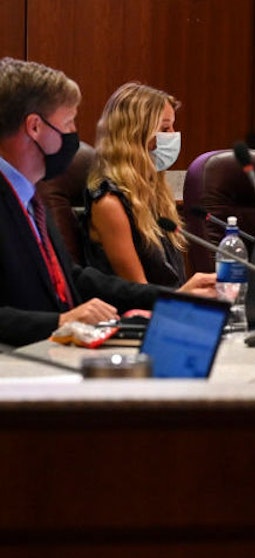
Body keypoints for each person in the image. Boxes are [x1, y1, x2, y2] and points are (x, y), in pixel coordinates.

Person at [0, 58, 214, 348]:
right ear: (35, 127)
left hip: (52, 356)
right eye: (67, 123)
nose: (74, 134)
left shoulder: (31, 196)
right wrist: (60, 322)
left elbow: (73, 276)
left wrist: (172, 298)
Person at [83, 82, 187, 287]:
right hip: (133, 315)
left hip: (166, 309)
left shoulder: (155, 193)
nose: (174, 134)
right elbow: (139, 290)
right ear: (136, 135)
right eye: (165, 128)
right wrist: (186, 296)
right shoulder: (109, 202)